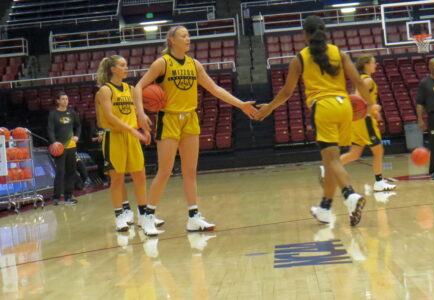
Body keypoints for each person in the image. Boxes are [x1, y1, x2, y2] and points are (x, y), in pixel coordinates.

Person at [134, 25, 257, 232]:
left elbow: (215, 89)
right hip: (169, 119)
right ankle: (148, 215)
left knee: (190, 171)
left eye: (189, 35)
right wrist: (140, 112)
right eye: (184, 35)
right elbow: (138, 87)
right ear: (172, 40)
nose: (188, 39)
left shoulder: (194, 64)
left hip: (190, 118)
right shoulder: (162, 63)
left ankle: (193, 216)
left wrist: (240, 104)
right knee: (164, 171)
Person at [254, 15, 373, 226]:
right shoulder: (339, 53)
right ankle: (325, 207)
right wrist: (371, 105)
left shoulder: (300, 58)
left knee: (333, 160)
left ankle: (350, 195)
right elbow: (358, 82)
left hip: (323, 108)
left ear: (305, 35)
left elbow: (286, 92)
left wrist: (269, 108)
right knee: (330, 161)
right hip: (344, 106)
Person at [95, 55, 162, 235]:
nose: (126, 68)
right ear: (113, 69)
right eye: (122, 65)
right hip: (114, 137)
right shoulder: (105, 90)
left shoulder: (131, 89)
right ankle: (120, 215)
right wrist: (133, 131)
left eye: (126, 65)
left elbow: (137, 112)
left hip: (132, 136)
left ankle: (143, 216)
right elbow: (110, 117)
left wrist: (144, 129)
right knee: (117, 179)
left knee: (140, 176)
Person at [338, 54, 396, 192]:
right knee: (378, 150)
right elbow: (357, 99)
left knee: (354, 153)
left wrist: (374, 110)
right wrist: (372, 109)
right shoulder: (367, 80)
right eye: (373, 63)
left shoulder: (362, 80)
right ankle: (379, 182)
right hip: (365, 121)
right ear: (366, 65)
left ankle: (328, 168)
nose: (376, 65)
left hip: (358, 122)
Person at [48, 92, 81, 205]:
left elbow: (78, 126)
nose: (65, 101)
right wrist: (54, 142)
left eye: (66, 99)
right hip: (59, 147)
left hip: (71, 146)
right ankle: (56, 197)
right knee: (60, 171)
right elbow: (50, 130)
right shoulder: (53, 114)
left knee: (71, 171)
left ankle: (68, 197)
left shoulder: (72, 113)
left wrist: (77, 136)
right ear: (58, 101)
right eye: (63, 99)